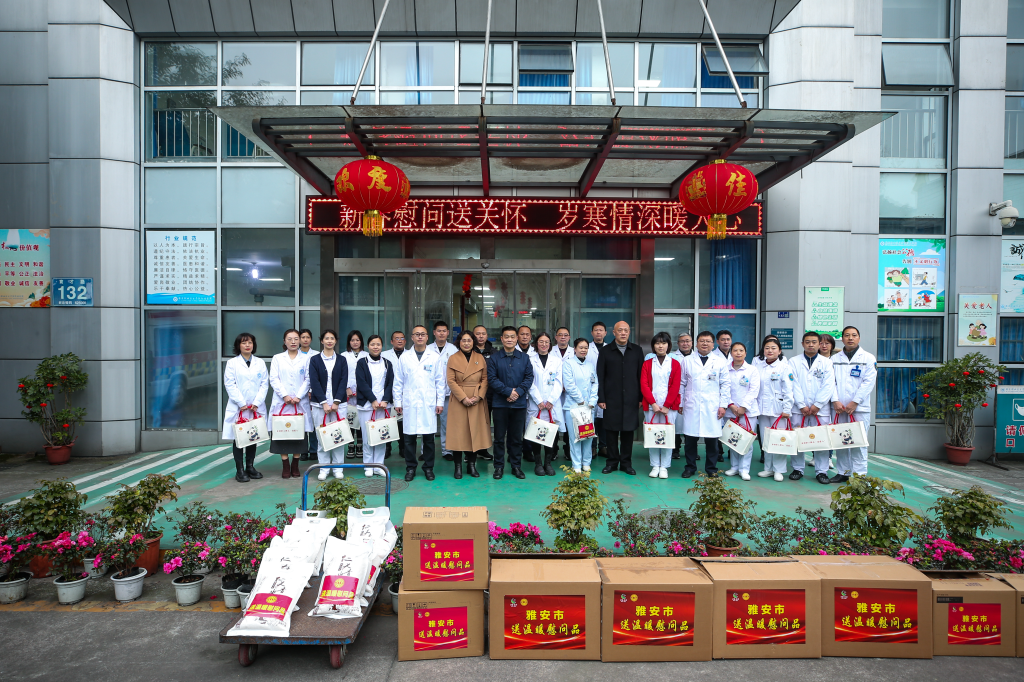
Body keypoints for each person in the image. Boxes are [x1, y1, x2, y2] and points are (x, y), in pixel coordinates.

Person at [394, 325, 445, 482]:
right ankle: (410, 468)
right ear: (412, 337)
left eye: (423, 334)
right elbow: (398, 382)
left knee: (429, 439)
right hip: (409, 403)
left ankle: (428, 468)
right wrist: (398, 401)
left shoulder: (434, 357)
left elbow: (440, 382)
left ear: (427, 337)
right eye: (417, 334)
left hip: (428, 403)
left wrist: (440, 402)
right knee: (409, 439)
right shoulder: (404, 357)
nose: (420, 337)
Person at [679, 331, 730, 478]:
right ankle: (690, 467)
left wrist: (723, 405)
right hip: (692, 404)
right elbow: (682, 383)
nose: (705, 344)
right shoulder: (687, 360)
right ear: (696, 344)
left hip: (712, 406)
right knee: (690, 439)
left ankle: (711, 469)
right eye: (702, 341)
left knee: (712, 440)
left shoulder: (720, 361)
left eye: (708, 341)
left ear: (713, 344)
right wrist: (681, 402)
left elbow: (725, 384)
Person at [487, 326, 534, 480]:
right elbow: (492, 379)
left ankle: (516, 466)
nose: (509, 339)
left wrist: (517, 392)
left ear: (516, 339)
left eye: (512, 337)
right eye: (506, 337)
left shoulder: (524, 358)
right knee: (499, 438)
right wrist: (508, 392)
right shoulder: (494, 358)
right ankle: (498, 467)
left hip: (519, 405)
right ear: (502, 339)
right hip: (500, 404)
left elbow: (529, 377)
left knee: (516, 438)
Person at [830, 326, 877, 482]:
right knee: (841, 441)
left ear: (859, 338)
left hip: (859, 409)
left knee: (858, 442)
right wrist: (835, 401)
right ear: (842, 338)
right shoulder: (834, 359)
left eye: (854, 335)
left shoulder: (868, 358)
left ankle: (859, 475)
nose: (850, 338)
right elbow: (831, 382)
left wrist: (855, 402)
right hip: (839, 409)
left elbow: (868, 383)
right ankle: (843, 472)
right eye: (847, 335)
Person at [596, 321, 643, 475]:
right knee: (611, 432)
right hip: (611, 398)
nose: (623, 333)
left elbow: (641, 376)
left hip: (631, 398)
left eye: (626, 330)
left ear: (629, 332)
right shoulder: (605, 351)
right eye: (620, 330)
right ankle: (611, 462)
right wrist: (601, 398)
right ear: (614, 332)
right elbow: (600, 376)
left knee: (628, 433)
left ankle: (626, 464)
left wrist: (640, 397)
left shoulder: (637, 350)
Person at [222, 333, 268, 483]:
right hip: (238, 407)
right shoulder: (232, 363)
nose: (247, 345)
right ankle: (240, 470)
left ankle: (250, 467)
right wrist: (241, 402)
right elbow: (230, 384)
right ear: (238, 346)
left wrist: (257, 402)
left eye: (250, 342)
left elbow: (264, 384)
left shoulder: (260, 363)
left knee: (253, 437)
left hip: (255, 407)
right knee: (239, 438)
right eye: (244, 343)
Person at [791, 331, 836, 484]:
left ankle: (822, 471)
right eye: (807, 342)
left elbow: (829, 385)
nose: (811, 345)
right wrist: (801, 405)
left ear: (819, 344)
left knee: (821, 440)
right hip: (799, 409)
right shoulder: (793, 361)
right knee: (798, 438)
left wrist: (818, 404)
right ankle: (797, 468)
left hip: (820, 410)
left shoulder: (826, 363)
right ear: (802, 344)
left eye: (814, 342)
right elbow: (793, 384)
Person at [446, 331, 492, 479]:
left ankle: (472, 465)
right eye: (463, 340)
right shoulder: (453, 358)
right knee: (458, 434)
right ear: (459, 342)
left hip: (476, 399)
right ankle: (458, 466)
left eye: (469, 340)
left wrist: (479, 396)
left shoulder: (480, 358)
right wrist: (463, 398)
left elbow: (485, 379)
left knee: (474, 432)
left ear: (473, 342)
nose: (466, 343)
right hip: (459, 399)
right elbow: (451, 380)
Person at [269, 329, 311, 480]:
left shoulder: (306, 358)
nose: (293, 342)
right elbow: (274, 378)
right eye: (289, 339)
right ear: (284, 341)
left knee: (298, 433)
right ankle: (285, 465)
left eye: (296, 339)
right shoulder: (277, 358)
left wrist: (299, 396)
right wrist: (285, 395)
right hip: (282, 401)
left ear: (299, 341)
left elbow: (308, 379)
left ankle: (295, 464)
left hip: (300, 401)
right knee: (282, 432)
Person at [641, 332, 682, 479]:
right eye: (657, 343)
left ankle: (664, 466)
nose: (660, 346)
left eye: (663, 343)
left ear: (668, 345)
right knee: (652, 435)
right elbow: (644, 384)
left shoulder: (675, 363)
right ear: (653, 346)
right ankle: (655, 465)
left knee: (667, 435)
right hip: (651, 406)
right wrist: (653, 403)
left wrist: (667, 405)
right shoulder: (647, 363)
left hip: (669, 407)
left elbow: (676, 386)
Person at [308, 329, 347, 481]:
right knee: (322, 437)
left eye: (332, 338)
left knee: (338, 436)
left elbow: (343, 381)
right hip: (320, 405)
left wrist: (336, 401)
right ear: (322, 341)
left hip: (339, 405)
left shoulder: (342, 360)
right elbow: (314, 382)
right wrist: (324, 402)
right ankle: (323, 468)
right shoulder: (314, 360)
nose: (329, 341)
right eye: (326, 338)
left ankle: (338, 468)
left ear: (335, 341)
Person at [755, 338, 795, 482]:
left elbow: (789, 390)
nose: (770, 351)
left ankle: (779, 470)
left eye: (773, 348)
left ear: (779, 351)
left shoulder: (784, 367)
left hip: (779, 410)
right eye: (767, 348)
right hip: (762, 409)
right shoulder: (759, 367)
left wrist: (787, 408)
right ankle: (768, 468)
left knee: (778, 439)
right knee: (766, 439)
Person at [356, 335, 394, 477]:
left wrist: (385, 400)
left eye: (378, 344)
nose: (375, 347)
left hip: (383, 405)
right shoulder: (362, 363)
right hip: (367, 405)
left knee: (381, 435)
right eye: (372, 344)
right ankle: (368, 465)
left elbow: (390, 383)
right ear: (367, 346)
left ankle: (379, 465)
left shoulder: (388, 363)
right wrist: (372, 399)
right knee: (367, 436)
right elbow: (361, 383)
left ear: (382, 346)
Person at [527, 332, 564, 476]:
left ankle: (548, 463)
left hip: (551, 404)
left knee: (551, 433)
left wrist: (551, 400)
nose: (544, 344)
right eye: (541, 342)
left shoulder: (557, 361)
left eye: (546, 342)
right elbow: (529, 381)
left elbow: (559, 382)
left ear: (550, 344)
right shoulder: (530, 360)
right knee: (535, 434)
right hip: (536, 403)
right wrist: (538, 400)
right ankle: (538, 464)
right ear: (536, 344)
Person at [722, 342, 759, 480]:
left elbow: (754, 390)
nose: (738, 353)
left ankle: (744, 469)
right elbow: (723, 388)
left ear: (745, 353)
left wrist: (743, 407)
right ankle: (734, 467)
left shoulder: (752, 370)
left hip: (748, 411)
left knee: (746, 440)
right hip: (731, 410)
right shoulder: (725, 369)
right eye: (735, 350)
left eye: (741, 350)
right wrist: (731, 405)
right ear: (731, 353)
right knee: (732, 439)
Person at [562, 338, 599, 473]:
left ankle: (586, 462)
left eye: (585, 348)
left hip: (589, 407)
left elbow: (595, 383)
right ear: (575, 349)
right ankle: (576, 464)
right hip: (573, 406)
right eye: (581, 347)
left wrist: (592, 401)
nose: (583, 350)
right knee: (575, 437)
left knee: (588, 435)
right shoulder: (568, 364)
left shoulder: (590, 365)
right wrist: (581, 400)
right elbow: (569, 385)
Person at [430, 320, 459, 461]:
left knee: (446, 424)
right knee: (428, 423)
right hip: (430, 393)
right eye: (438, 331)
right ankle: (425, 451)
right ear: (434, 333)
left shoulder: (453, 350)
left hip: (448, 393)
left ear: (448, 333)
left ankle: (447, 450)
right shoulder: (428, 349)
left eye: (444, 331)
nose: (441, 333)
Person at [341, 330, 369, 457]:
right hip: (348, 393)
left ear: (361, 342)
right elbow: (342, 374)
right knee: (350, 419)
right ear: (349, 342)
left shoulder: (367, 355)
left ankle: (360, 445)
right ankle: (351, 446)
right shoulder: (343, 356)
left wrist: (361, 390)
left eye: (357, 340)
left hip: (362, 393)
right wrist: (347, 388)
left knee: (362, 419)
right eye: (352, 340)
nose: (355, 342)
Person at [471, 325, 495, 461]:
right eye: (478, 334)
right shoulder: (468, 350)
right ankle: (470, 452)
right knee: (473, 423)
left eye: (483, 334)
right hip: (472, 393)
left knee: (486, 423)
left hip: (491, 393)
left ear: (487, 335)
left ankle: (483, 450)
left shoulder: (494, 352)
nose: (481, 336)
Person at [382, 330, 407, 459]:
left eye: (402, 338)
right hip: (388, 393)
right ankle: (387, 447)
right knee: (388, 421)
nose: (399, 340)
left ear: (405, 341)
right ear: (392, 341)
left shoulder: (410, 355)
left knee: (402, 423)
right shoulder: (384, 355)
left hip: (405, 393)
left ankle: (403, 447)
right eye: (397, 338)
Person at [587, 321, 610, 458]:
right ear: (592, 333)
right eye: (596, 330)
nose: (598, 332)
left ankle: (603, 446)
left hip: (606, 387)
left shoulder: (609, 348)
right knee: (591, 418)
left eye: (601, 330)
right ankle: (592, 446)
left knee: (604, 418)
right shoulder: (587, 348)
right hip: (589, 387)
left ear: (605, 333)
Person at [669, 333, 693, 460]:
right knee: (676, 424)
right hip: (676, 393)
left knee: (691, 425)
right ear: (678, 343)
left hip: (692, 394)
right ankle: (675, 449)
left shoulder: (696, 357)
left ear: (692, 343)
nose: (685, 343)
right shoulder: (672, 357)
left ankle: (691, 451)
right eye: (682, 341)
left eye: (687, 341)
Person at [297, 329, 318, 461]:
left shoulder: (316, 354)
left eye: (307, 337)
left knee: (314, 422)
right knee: (301, 422)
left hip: (313, 394)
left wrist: (311, 391)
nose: (305, 340)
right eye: (302, 337)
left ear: (311, 339)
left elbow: (316, 376)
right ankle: (303, 450)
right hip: (298, 395)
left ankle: (314, 450)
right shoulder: (295, 354)